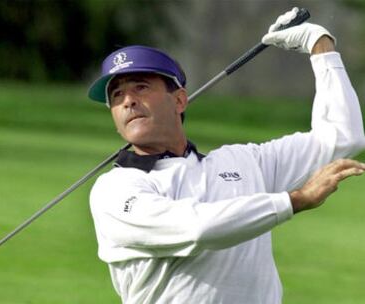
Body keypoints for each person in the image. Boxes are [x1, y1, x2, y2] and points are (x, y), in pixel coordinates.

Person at [87, 8, 365, 304]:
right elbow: (197, 228)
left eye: (141, 87)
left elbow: (342, 136)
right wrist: (293, 201)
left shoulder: (244, 163)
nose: (128, 101)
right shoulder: (114, 190)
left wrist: (320, 46)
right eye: (117, 96)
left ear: (180, 99)